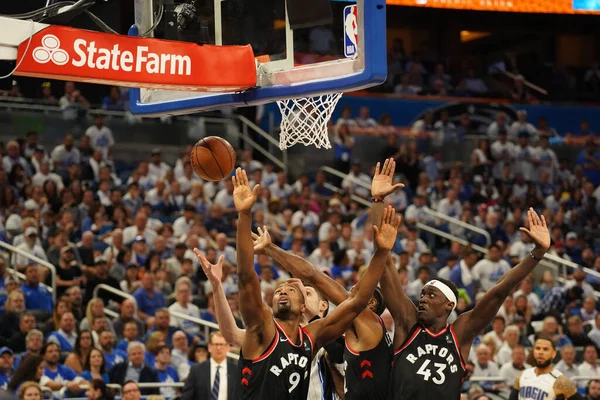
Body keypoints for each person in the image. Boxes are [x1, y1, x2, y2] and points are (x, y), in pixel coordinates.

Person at [224, 167, 399, 399]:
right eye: (278, 290)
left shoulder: (313, 336)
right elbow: (246, 278)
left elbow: (355, 301)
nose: (283, 290)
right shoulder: (262, 325)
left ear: (304, 305)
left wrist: (382, 252)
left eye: (292, 289)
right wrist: (244, 216)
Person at [380, 193, 550, 400]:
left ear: (448, 304)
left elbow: (499, 292)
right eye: (422, 294)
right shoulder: (408, 324)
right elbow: (386, 267)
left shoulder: (459, 334)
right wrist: (378, 205)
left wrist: (537, 254)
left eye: (431, 294)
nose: (423, 298)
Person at [511, 336, 582, 400]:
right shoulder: (522, 375)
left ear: (553, 354)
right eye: (538, 348)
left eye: (545, 349)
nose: (540, 352)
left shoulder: (561, 382)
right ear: (533, 352)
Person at [181, 331, 239, 400]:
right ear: (209, 347)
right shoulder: (196, 370)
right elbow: (186, 397)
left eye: (222, 344)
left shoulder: (236, 370)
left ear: (228, 347)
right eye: (216, 344)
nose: (219, 348)